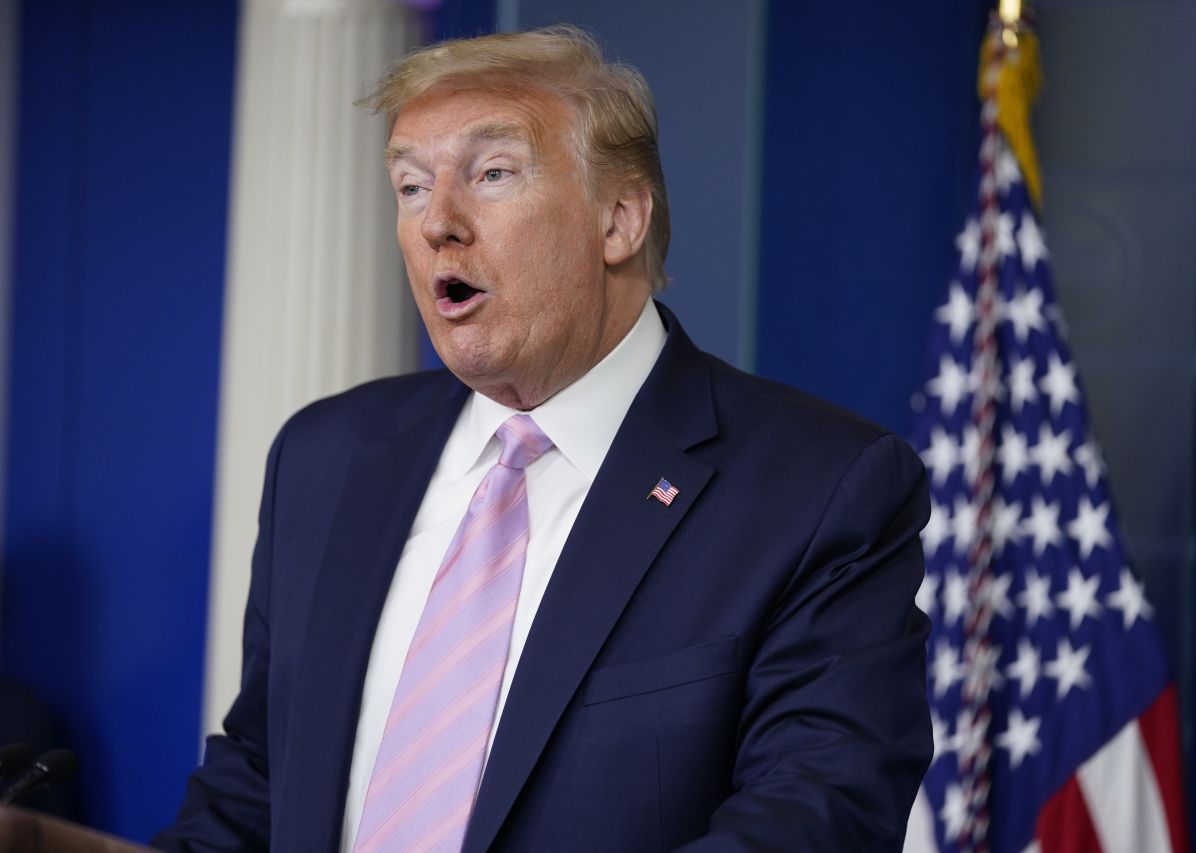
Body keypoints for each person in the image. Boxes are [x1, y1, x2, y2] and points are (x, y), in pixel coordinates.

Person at [154, 25, 932, 853]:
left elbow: (816, 816)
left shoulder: (818, 489)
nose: (437, 225)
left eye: (491, 174)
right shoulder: (326, 456)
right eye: (411, 186)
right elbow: (256, 785)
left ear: (620, 219)